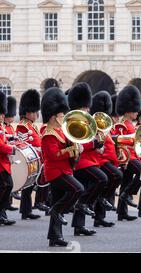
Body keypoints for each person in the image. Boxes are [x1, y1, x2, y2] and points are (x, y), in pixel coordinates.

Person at [41, 87, 84, 246]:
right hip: (55, 172)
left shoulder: (61, 131)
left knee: (58, 199)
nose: (63, 116)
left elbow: (70, 146)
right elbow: (54, 155)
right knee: (78, 189)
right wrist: (72, 150)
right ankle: (56, 211)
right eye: (61, 114)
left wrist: (77, 147)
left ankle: (55, 237)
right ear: (53, 116)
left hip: (64, 170)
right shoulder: (48, 134)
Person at [68, 83, 109, 236]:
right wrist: (93, 144)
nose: (87, 109)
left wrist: (99, 145)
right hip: (81, 162)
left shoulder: (86, 120)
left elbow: (91, 141)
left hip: (90, 160)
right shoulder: (72, 121)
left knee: (84, 191)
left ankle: (79, 226)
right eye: (85, 107)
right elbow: (78, 143)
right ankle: (83, 204)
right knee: (102, 179)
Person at [90, 91, 123, 228]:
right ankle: (102, 199)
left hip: (107, 160)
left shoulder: (107, 128)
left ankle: (99, 218)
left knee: (105, 184)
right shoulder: (96, 127)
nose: (115, 118)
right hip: (101, 161)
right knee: (117, 176)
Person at [114, 85, 141, 221]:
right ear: (128, 110)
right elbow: (119, 142)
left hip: (133, 155)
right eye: (135, 109)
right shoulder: (122, 124)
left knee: (126, 181)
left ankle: (122, 212)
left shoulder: (131, 123)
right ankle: (127, 194)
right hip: (128, 157)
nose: (137, 112)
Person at [16, 89, 43, 220]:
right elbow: (22, 143)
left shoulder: (33, 126)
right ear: (28, 113)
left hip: (37, 159)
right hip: (30, 158)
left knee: (31, 185)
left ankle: (28, 209)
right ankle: (26, 211)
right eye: (34, 112)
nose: (37, 114)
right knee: (28, 186)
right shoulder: (23, 126)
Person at [0, 91, 16, 226]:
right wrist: (12, 149)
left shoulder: (1, 126)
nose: (2, 116)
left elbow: (4, 138)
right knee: (7, 185)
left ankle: (2, 215)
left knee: (5, 187)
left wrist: (12, 139)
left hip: (4, 162)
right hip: (1, 163)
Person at [4, 96, 19, 212]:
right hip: (3, 161)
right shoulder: (3, 127)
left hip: (6, 160)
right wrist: (12, 148)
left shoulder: (9, 127)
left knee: (7, 185)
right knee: (6, 185)